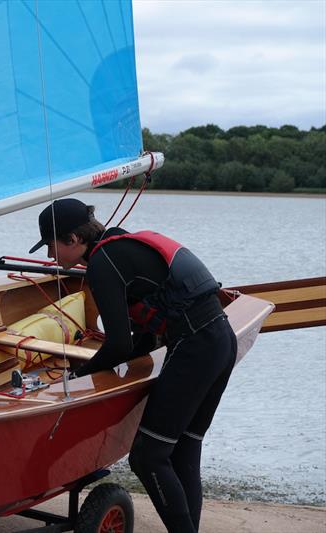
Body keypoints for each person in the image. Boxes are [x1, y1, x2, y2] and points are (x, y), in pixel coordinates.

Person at [30, 198, 235, 533]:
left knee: (147, 456)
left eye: (51, 247)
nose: (50, 257)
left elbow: (120, 345)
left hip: (196, 345)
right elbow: (142, 341)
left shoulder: (102, 263)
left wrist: (76, 377)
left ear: (73, 240)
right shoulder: (121, 246)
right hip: (219, 337)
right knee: (183, 448)